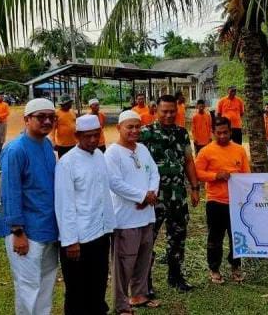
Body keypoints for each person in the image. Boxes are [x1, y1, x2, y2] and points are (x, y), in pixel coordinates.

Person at [0, 98, 60, 315]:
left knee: (46, 284)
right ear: (26, 119)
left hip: (48, 228)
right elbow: (10, 192)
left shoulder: (47, 145)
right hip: (26, 232)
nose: (47, 121)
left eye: (51, 117)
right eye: (41, 117)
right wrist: (17, 231)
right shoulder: (15, 150)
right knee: (28, 287)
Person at [55, 115, 116, 315]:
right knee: (77, 291)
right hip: (79, 239)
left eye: (96, 135)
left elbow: (105, 192)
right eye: (87, 136)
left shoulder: (99, 155)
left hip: (100, 233)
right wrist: (71, 241)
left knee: (98, 285)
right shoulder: (67, 163)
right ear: (77, 136)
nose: (92, 140)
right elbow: (64, 205)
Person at [140, 94, 200, 293]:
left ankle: (175, 276)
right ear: (156, 110)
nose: (168, 115)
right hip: (153, 198)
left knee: (178, 237)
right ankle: (145, 282)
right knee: (148, 239)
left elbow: (189, 161)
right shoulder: (145, 133)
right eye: (164, 111)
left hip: (177, 196)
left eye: (172, 111)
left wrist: (195, 188)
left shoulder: (182, 133)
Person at [105, 111, 161, 313]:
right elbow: (114, 183)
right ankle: (121, 305)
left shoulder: (142, 149)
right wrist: (142, 196)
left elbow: (154, 173)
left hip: (146, 215)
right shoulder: (112, 153)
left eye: (138, 127)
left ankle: (138, 295)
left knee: (143, 260)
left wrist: (151, 194)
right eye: (130, 127)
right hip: (125, 218)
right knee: (123, 264)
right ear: (119, 128)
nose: (135, 130)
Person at [195, 117, 251, 284]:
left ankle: (236, 266)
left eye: (225, 132)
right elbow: (197, 173)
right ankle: (214, 269)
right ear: (213, 133)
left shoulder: (239, 150)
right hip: (215, 201)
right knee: (215, 238)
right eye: (218, 133)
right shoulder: (206, 151)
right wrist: (215, 176)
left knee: (238, 237)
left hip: (237, 202)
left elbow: (246, 174)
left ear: (230, 132)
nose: (222, 136)